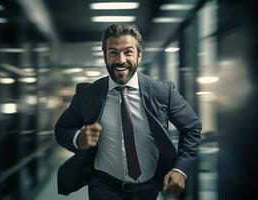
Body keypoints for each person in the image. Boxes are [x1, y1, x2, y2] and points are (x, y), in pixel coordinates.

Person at [55, 24, 202, 200]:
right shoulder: (87, 94)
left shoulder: (162, 92)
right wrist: (79, 138)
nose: (120, 60)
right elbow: (62, 129)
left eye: (128, 52)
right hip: (104, 185)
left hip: (148, 188)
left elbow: (192, 128)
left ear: (139, 55)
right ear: (105, 56)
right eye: (113, 52)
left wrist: (180, 169)